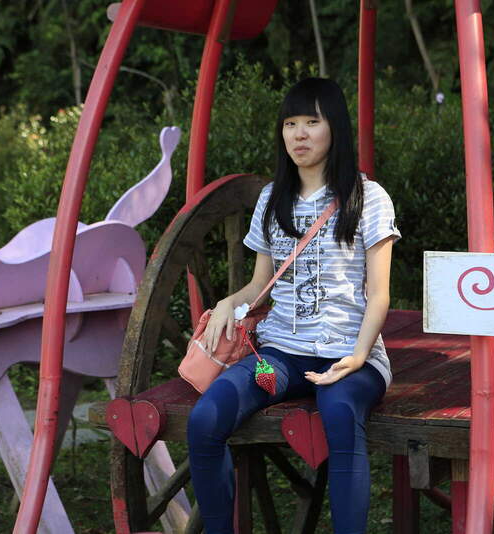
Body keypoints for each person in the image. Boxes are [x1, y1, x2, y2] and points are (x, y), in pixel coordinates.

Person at [186, 77, 400, 534]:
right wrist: (227, 303)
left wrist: (359, 355)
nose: (299, 134)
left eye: (312, 122)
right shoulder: (271, 199)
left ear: (335, 128)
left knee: (340, 415)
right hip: (281, 354)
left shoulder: (368, 197)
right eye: (290, 123)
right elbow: (259, 285)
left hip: (350, 353)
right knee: (205, 419)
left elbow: (380, 294)